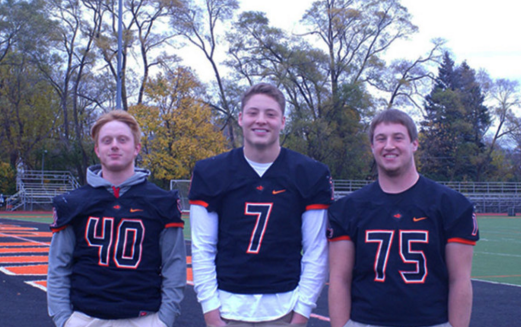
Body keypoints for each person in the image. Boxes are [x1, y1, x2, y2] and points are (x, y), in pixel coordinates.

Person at [188, 83, 334, 327]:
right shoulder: (211, 171)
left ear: (283, 121)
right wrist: (211, 313)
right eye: (253, 113)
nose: (261, 120)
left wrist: (301, 315)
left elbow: (315, 251)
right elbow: (202, 248)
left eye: (270, 114)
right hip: (227, 308)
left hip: (284, 309)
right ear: (241, 118)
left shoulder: (309, 173)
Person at [327, 109, 480, 327]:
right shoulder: (348, 208)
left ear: (414, 144)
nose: (389, 145)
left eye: (398, 137)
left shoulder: (451, 205)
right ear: (372, 147)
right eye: (381, 139)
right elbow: (340, 279)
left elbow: (460, 280)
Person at [47, 110, 186, 327]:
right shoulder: (73, 202)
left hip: (144, 318)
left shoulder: (161, 201)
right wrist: (64, 319)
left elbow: (174, 265)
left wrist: (164, 320)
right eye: (107, 140)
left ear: (136, 148)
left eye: (122, 140)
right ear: (97, 150)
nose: (114, 145)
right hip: (86, 318)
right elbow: (58, 266)